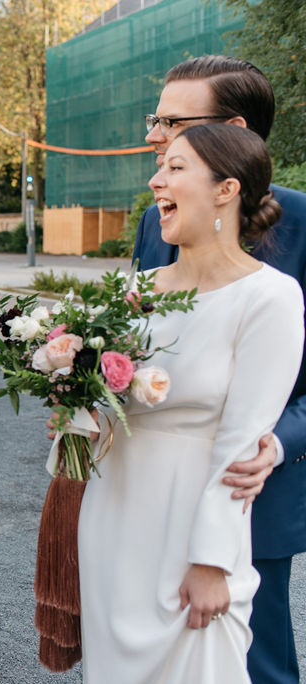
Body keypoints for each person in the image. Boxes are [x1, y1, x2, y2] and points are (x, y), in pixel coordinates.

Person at [75, 124, 304, 682]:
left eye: (176, 168)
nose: (157, 180)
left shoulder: (269, 296)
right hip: (112, 514)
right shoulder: (137, 293)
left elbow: (241, 440)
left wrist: (211, 562)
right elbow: (103, 412)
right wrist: (68, 391)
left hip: (191, 522)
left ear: (226, 188)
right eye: (162, 168)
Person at [131, 55, 306, 684]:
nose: (154, 135)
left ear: (233, 132)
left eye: (171, 122)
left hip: (249, 486)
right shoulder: (157, 221)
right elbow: (138, 349)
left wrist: (277, 445)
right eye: (155, 119)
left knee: (254, 667)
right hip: (149, 498)